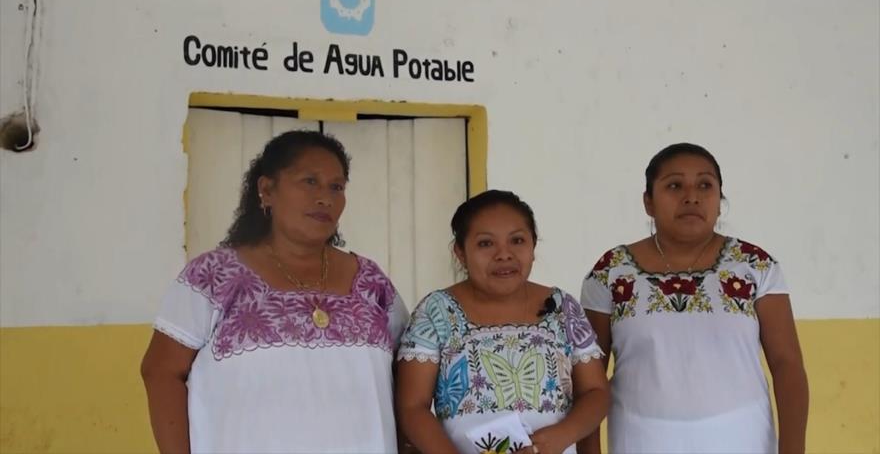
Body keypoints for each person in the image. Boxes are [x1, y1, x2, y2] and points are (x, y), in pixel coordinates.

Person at [140, 130, 408, 453]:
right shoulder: (213, 276)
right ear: (267, 190)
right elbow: (161, 372)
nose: (325, 198)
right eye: (310, 181)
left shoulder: (372, 283)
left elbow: (410, 378)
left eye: (336, 187)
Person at [580, 143, 808, 453]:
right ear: (648, 202)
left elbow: (787, 366)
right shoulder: (611, 272)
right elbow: (588, 382)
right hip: (641, 441)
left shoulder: (755, 266)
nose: (691, 196)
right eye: (674, 185)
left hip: (744, 440)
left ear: (720, 201)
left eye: (705, 185)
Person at [396, 190, 609, 454]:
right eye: (486, 244)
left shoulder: (562, 308)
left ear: (533, 246)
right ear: (460, 252)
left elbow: (596, 392)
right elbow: (412, 407)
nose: (504, 255)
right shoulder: (435, 311)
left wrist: (560, 437)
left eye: (517, 240)